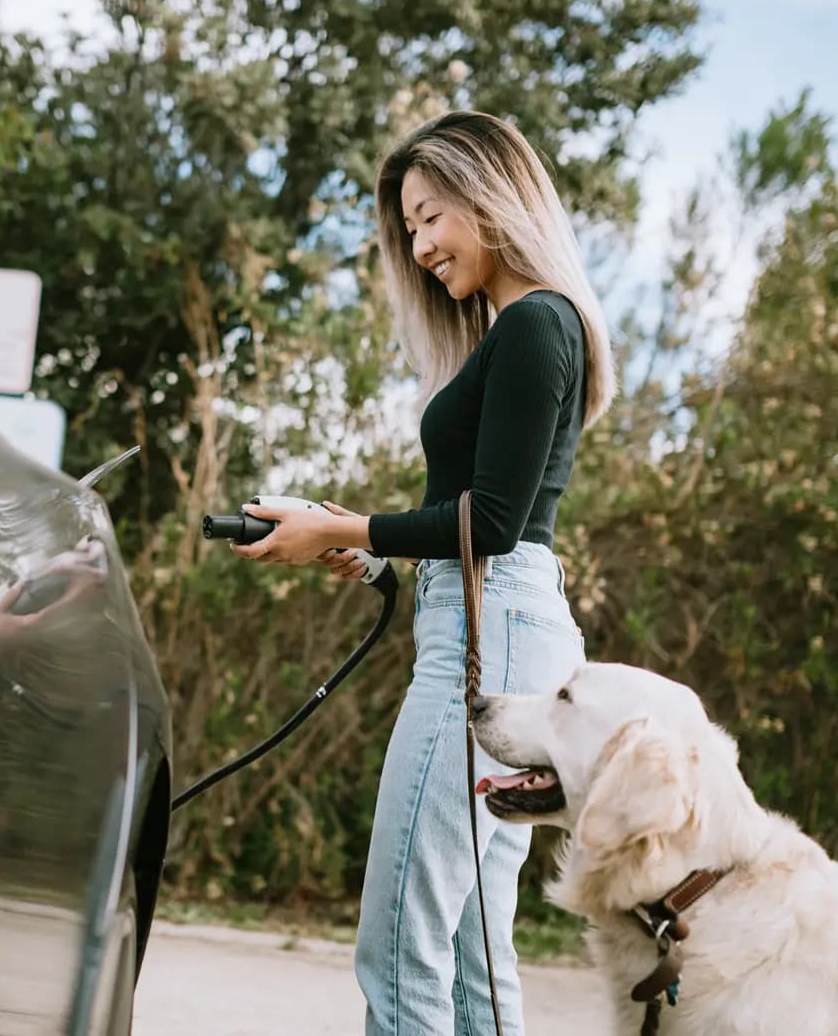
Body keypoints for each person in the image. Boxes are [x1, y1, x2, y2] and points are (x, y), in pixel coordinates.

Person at [231, 110, 616, 1034]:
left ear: (491, 195)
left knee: (403, 932)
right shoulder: (525, 329)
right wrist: (364, 548)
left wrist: (345, 519)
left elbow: (492, 521)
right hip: (508, 621)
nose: (421, 244)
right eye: (409, 228)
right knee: (476, 953)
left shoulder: (535, 323)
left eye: (431, 214)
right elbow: (480, 524)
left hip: (491, 634)